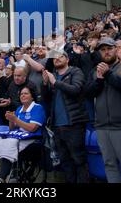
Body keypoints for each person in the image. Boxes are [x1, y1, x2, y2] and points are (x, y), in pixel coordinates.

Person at [85, 38, 121, 183]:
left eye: (109, 48)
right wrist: (99, 79)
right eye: (102, 50)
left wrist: (108, 74)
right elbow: (88, 94)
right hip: (102, 125)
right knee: (109, 165)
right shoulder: (95, 71)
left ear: (116, 49)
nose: (106, 52)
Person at [0, 86, 46, 183]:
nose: (23, 95)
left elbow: (32, 128)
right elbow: (12, 129)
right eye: (21, 94)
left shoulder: (37, 108)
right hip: (18, 136)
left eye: (26, 93)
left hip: (32, 139)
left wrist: (15, 119)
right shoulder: (19, 108)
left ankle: (1, 179)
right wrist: (11, 120)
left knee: (9, 145)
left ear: (32, 96)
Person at [41, 51, 88, 183]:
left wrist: (55, 82)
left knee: (79, 160)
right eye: (54, 57)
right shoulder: (53, 76)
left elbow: (76, 90)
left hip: (74, 123)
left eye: (60, 56)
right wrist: (45, 84)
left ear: (67, 60)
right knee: (65, 162)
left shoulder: (75, 72)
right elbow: (46, 99)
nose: (56, 59)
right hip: (57, 126)